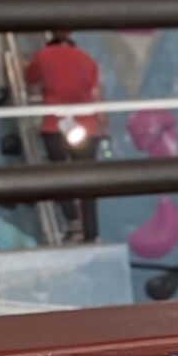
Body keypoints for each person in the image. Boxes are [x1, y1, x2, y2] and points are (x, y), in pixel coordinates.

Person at [23, 31, 105, 241]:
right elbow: (96, 97)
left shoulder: (43, 56)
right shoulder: (88, 59)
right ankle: (91, 234)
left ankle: (73, 221)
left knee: (59, 177)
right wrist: (103, 128)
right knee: (89, 185)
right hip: (87, 126)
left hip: (55, 125)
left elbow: (29, 79)